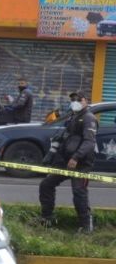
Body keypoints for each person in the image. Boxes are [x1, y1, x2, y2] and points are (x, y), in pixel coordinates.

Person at [39, 91, 97, 233]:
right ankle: (47, 218)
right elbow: (64, 137)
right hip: (65, 162)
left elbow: (89, 142)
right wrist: (51, 155)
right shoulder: (73, 116)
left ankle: (86, 227)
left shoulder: (89, 118)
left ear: (85, 100)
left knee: (79, 193)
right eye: (72, 100)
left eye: (77, 99)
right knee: (46, 185)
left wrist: (76, 157)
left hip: (81, 163)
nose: (74, 102)